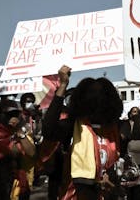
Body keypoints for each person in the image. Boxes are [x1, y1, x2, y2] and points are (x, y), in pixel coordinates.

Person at [42, 65, 123, 200]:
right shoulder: (74, 125)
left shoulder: (113, 128)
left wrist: (110, 175)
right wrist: (62, 86)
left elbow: (118, 159)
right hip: (77, 194)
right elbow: (48, 129)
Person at [0, 99, 36, 200]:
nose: (13, 117)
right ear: (0, 115)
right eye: (10, 114)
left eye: (16, 114)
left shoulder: (19, 132)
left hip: (18, 184)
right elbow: (9, 151)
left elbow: (32, 153)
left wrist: (21, 134)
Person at [119, 106, 140, 200]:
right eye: (134, 111)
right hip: (132, 158)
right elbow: (123, 136)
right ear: (130, 114)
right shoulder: (127, 123)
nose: (135, 113)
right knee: (132, 181)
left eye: (137, 112)